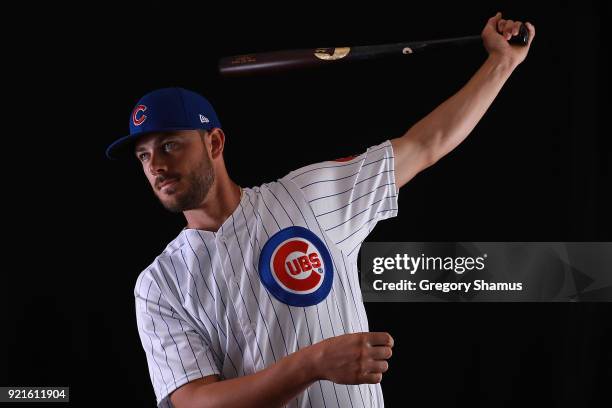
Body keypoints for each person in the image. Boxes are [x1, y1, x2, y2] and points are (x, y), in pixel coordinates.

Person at [106, 12, 534, 408]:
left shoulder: (307, 197)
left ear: (214, 143)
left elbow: (426, 144)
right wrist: (311, 364)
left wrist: (502, 64)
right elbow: (196, 402)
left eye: (169, 145)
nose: (156, 165)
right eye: (143, 156)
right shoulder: (159, 284)